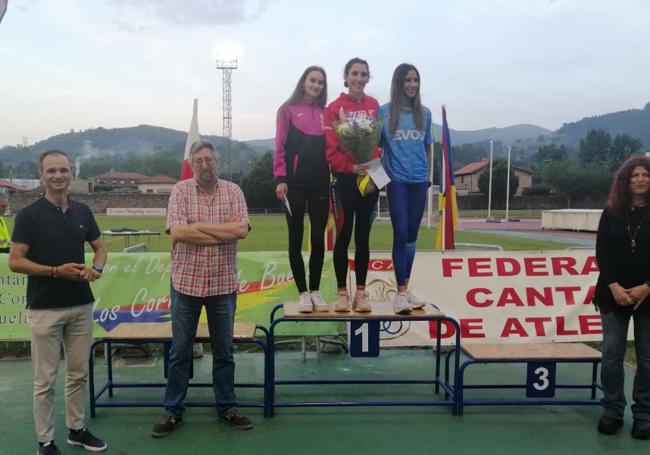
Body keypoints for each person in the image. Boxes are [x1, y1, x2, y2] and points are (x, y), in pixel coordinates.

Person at [9, 150, 108, 455]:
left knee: (78, 374)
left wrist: (97, 269)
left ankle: (76, 430)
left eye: (63, 170)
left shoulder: (82, 211)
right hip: (44, 307)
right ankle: (46, 442)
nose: (58, 176)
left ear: (71, 175)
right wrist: (55, 271)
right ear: (41, 176)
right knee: (45, 380)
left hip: (80, 304)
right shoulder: (28, 215)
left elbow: (100, 249)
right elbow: (15, 261)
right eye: (51, 171)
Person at [152, 140, 253, 438]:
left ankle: (226, 407)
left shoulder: (233, 191)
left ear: (217, 162)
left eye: (210, 159)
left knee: (225, 351)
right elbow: (178, 232)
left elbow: (242, 230)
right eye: (200, 161)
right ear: (192, 164)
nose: (205, 165)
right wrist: (221, 232)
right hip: (186, 283)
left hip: (222, 283)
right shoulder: (180, 190)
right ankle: (172, 411)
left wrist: (198, 228)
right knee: (180, 352)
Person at [594, 155, 650, 440]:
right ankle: (613, 410)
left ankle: (644, 415)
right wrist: (614, 285)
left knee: (647, 358)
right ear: (625, 181)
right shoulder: (611, 212)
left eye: (645, 175)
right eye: (634, 175)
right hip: (612, 294)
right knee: (611, 357)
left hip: (648, 296)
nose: (640, 179)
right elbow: (601, 252)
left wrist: (646, 287)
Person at [324, 57, 380, 313]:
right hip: (345, 179)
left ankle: (361, 293)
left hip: (369, 177)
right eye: (354, 73)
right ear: (345, 77)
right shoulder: (334, 108)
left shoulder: (374, 105)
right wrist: (349, 167)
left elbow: (378, 140)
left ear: (368, 78)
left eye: (364, 74)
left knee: (363, 238)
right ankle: (342, 293)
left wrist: (371, 160)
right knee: (343, 237)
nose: (359, 78)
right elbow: (330, 147)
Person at [274, 66, 330, 313]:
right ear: (304, 82)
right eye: (312, 80)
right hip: (294, 184)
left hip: (320, 183)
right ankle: (302, 293)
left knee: (318, 239)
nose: (316, 85)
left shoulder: (326, 113)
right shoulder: (286, 110)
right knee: (295, 238)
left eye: (320, 82)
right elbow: (280, 145)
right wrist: (280, 178)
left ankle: (316, 290)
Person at [379, 64, 433, 314]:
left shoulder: (425, 113)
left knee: (412, 237)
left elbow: (427, 147)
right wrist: (377, 176)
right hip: (396, 181)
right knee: (400, 234)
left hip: (419, 181)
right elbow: (372, 146)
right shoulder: (385, 112)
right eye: (407, 80)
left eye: (416, 80)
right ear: (398, 83)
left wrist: (427, 175)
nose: (412, 85)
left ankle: (406, 289)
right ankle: (399, 293)